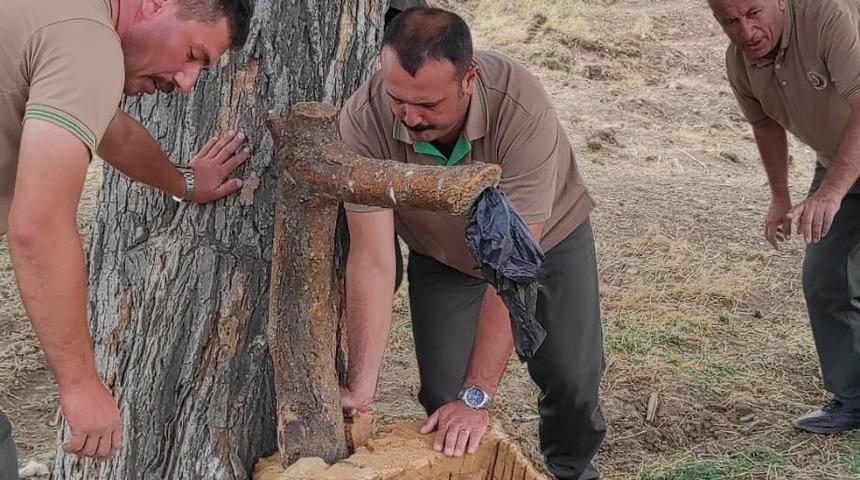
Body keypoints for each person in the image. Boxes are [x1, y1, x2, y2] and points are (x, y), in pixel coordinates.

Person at [338, 7, 606, 480]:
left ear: (469, 80)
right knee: (444, 399)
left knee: (571, 380)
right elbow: (374, 261)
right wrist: (359, 391)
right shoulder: (362, 120)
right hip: (442, 255)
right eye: (399, 99)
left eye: (429, 105)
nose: (410, 117)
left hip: (546, 243)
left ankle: (573, 470)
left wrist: (478, 395)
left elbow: (512, 263)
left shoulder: (521, 106)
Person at [0, 0, 252, 476]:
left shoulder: (69, 20)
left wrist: (185, 182)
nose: (186, 81)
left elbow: (111, 129)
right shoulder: (88, 42)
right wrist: (79, 384)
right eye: (193, 54)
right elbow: (38, 226)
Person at [709, 0, 860, 433]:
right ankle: (854, 398)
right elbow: (765, 125)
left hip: (843, 168)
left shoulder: (827, 15)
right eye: (729, 22)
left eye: (754, 12)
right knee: (825, 277)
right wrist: (781, 196)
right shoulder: (740, 62)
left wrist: (830, 193)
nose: (745, 31)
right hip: (838, 161)